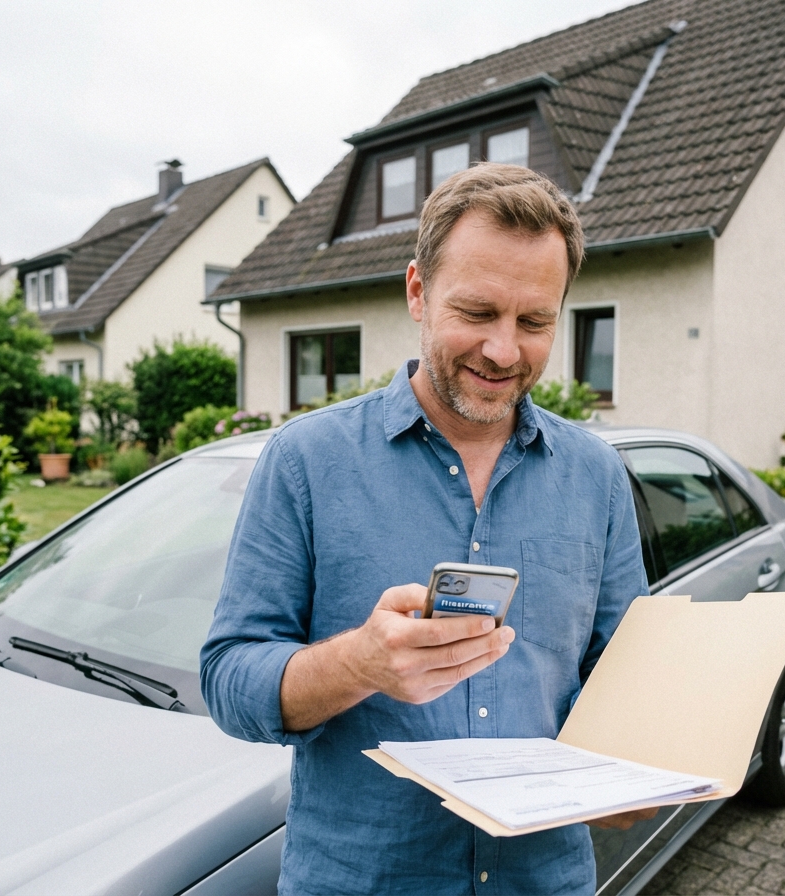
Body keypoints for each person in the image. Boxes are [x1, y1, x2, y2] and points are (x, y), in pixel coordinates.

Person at [201, 163, 649, 895]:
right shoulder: (307, 461)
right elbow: (228, 681)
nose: (504, 351)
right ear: (417, 291)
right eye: (476, 313)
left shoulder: (596, 475)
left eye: (534, 322)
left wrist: (641, 764)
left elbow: (625, 673)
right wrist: (358, 666)